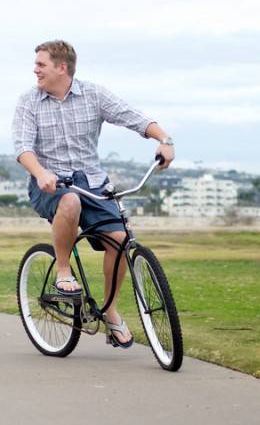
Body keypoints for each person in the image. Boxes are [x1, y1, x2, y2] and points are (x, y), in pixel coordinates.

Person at [11, 40, 174, 348]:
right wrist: (41, 172)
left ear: (62, 68)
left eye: (41, 64)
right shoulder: (28, 102)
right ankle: (62, 270)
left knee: (121, 240)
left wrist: (165, 139)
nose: (35, 70)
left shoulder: (93, 95)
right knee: (69, 202)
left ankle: (110, 310)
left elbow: (133, 117)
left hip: (94, 184)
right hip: (50, 183)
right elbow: (22, 147)